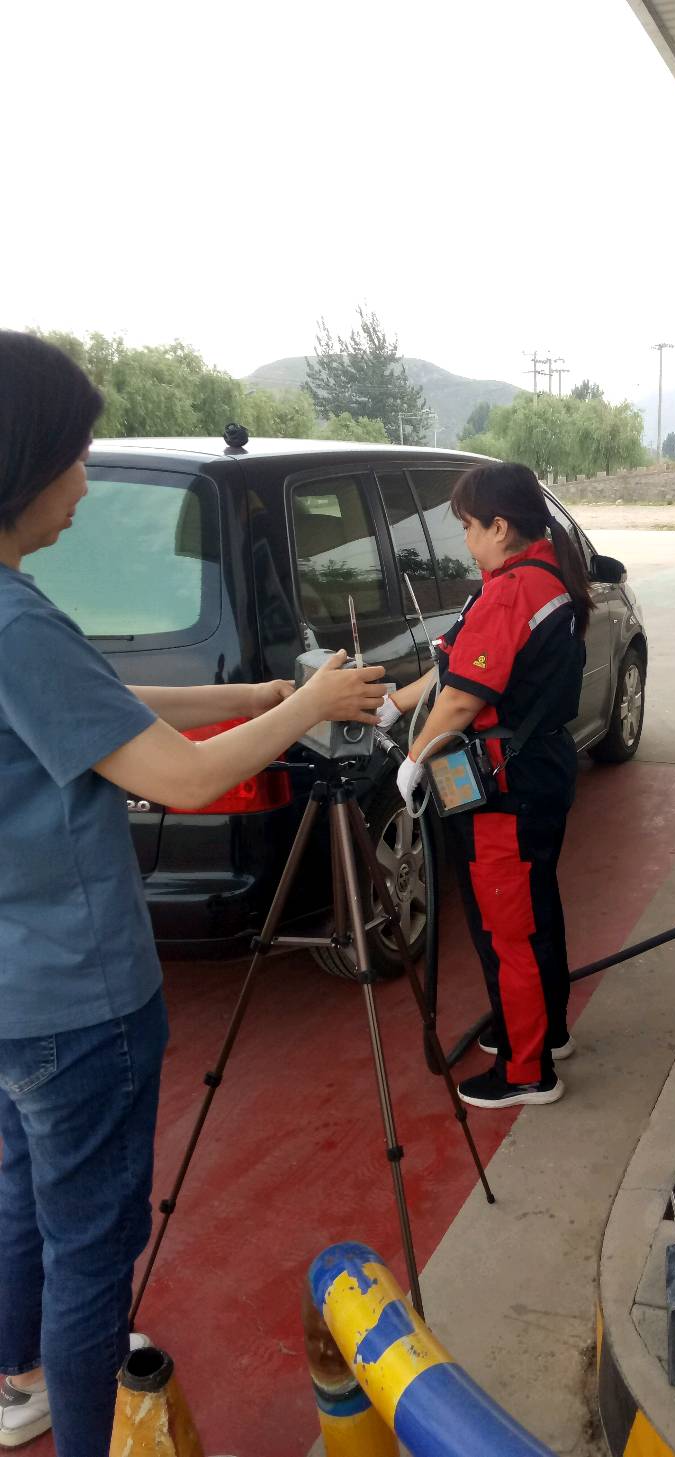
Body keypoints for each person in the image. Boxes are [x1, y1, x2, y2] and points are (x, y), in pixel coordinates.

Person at [0, 331, 387, 1454]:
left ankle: (19, 1378)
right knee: (91, 1251)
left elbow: (96, 697)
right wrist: (310, 706)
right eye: (76, 457)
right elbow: (179, 778)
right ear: (24, 464)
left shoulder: (17, 617)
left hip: (13, 986)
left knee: (20, 1195)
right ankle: (89, 1424)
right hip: (78, 997)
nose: (86, 483)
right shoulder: (16, 621)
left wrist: (257, 691)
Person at [383, 462, 591, 1110]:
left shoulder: (511, 593)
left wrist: (414, 756)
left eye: (470, 527)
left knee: (509, 929)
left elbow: (462, 699)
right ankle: (545, 1032)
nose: (467, 541)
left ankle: (527, 1072)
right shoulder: (538, 577)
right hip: (538, 769)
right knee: (534, 911)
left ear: (501, 527)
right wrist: (394, 702)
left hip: (506, 785)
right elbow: (452, 664)